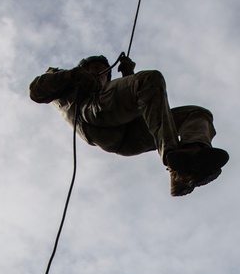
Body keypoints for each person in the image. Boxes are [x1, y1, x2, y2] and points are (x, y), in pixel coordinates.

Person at [29, 53, 229, 197]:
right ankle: (174, 161)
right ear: (84, 69)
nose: (100, 74)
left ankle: (189, 158)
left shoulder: (107, 92)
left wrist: (128, 74)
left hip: (127, 138)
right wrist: (71, 75)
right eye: (95, 69)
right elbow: (36, 91)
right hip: (91, 117)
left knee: (197, 114)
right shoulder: (69, 81)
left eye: (104, 73)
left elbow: (134, 102)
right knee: (149, 79)